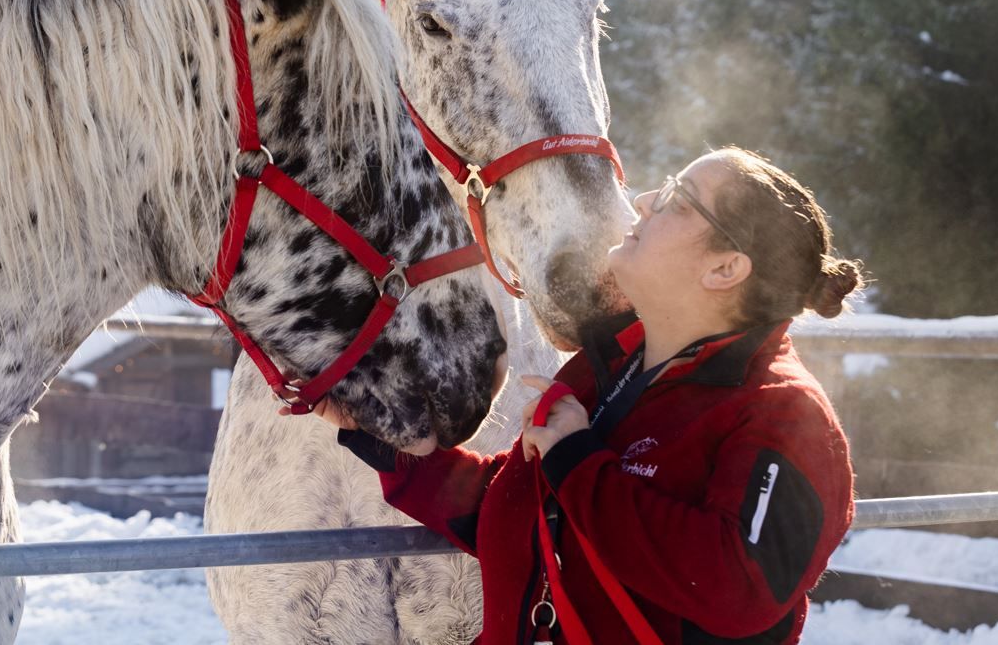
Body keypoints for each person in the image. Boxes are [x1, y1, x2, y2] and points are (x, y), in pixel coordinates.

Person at [321, 146, 861, 645]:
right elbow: (525, 509)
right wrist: (374, 431)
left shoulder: (786, 412)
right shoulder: (607, 367)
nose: (645, 202)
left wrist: (577, 462)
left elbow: (740, 586)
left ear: (725, 269)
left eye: (678, 199)